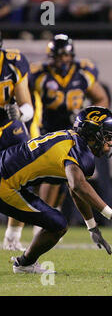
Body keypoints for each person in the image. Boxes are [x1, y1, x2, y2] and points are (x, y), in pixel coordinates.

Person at [1, 106, 112, 274]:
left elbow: (74, 189)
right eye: (107, 136)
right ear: (94, 133)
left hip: (8, 178)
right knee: (58, 225)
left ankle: (25, 263)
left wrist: (92, 227)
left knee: (57, 222)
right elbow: (77, 185)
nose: (109, 143)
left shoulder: (73, 140)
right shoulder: (79, 151)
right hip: (5, 184)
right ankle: (24, 264)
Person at [29, 33, 109, 234]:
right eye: (57, 56)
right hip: (48, 130)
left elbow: (101, 98)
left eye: (65, 56)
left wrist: (88, 118)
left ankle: (50, 218)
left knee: (66, 179)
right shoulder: (39, 75)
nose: (62, 60)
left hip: (74, 132)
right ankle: (45, 221)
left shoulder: (83, 73)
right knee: (52, 178)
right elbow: (24, 97)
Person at [0, 32, 35, 251]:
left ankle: (12, 238)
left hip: (8, 126)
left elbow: (27, 106)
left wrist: (20, 113)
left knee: (24, 177)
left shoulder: (12, 62)